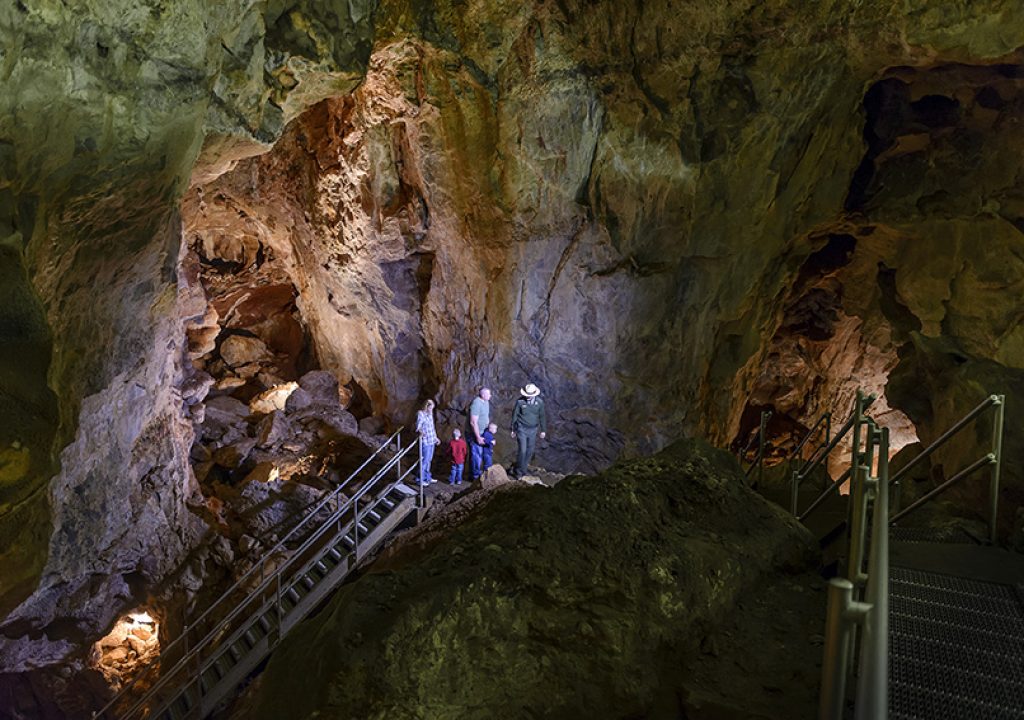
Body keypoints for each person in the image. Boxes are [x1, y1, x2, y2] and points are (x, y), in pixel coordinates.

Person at [510, 383, 546, 479]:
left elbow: (542, 416)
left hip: (533, 429)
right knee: (522, 450)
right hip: (521, 428)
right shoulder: (520, 402)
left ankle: (523, 470)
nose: (528, 397)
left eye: (530, 395)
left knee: (530, 451)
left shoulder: (539, 402)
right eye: (527, 395)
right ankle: (518, 472)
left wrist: (543, 430)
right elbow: (515, 415)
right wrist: (513, 429)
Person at [466, 387, 491, 481]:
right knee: (476, 454)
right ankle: (475, 476)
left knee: (480, 454)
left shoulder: (486, 402)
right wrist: (478, 437)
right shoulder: (476, 403)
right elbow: (473, 422)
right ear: (483, 395)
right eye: (488, 394)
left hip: (483, 432)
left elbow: (485, 416)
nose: (490, 396)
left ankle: (475, 473)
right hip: (474, 434)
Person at [415, 399, 440, 486]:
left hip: (431, 440)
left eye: (432, 408)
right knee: (424, 460)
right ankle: (419, 479)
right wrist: (421, 432)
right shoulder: (420, 414)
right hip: (425, 441)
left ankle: (427, 477)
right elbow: (418, 427)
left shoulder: (430, 414)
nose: (431, 410)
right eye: (430, 408)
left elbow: (432, 427)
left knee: (429, 460)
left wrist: (436, 438)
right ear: (426, 406)